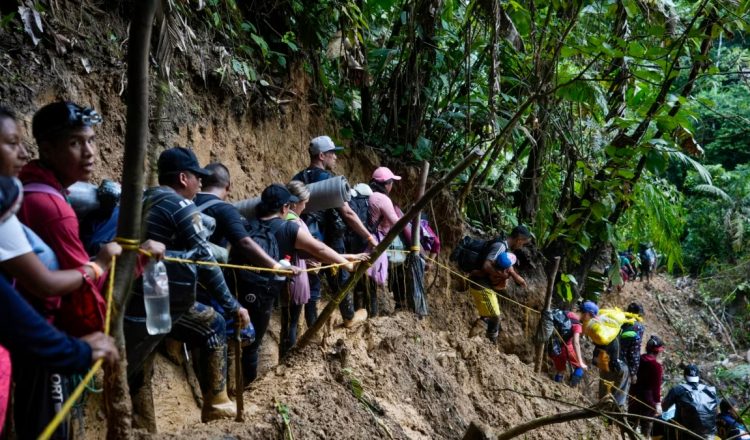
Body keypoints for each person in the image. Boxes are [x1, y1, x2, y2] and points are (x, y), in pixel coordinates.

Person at [125, 147, 250, 423]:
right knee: (214, 324)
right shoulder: (180, 206)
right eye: (197, 177)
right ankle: (216, 402)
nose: (201, 183)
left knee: (140, 369)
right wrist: (232, 306)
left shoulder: (144, 199)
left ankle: (143, 426)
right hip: (161, 300)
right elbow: (204, 260)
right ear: (183, 178)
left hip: (133, 298)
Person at [227, 184, 362, 383]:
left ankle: (225, 388)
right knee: (252, 344)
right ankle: (247, 390)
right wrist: (346, 265)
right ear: (284, 208)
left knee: (232, 338)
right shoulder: (289, 228)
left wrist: (349, 256)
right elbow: (320, 250)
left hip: (236, 287)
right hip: (263, 293)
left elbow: (312, 253)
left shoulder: (247, 224)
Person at [292, 135, 372, 327]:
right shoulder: (329, 180)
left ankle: (311, 325)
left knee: (313, 280)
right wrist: (369, 236)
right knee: (341, 276)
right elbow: (348, 213)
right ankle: (349, 317)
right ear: (321, 156)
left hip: (304, 236)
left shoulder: (297, 178)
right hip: (328, 237)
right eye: (332, 154)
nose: (335, 157)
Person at [467, 226, 530, 343]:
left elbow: (508, 266)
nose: (522, 246)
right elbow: (486, 266)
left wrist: (516, 277)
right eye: (523, 243)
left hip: (486, 285)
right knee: (494, 316)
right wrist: (503, 276)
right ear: (519, 240)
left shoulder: (505, 248)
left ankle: (474, 341)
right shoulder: (500, 246)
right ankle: (491, 343)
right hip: (481, 284)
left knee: (489, 316)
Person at [366, 167, 413, 315]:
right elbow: (396, 223)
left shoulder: (368, 194)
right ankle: (372, 316)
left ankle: (365, 312)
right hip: (376, 242)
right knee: (373, 281)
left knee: (364, 282)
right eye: (391, 182)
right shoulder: (383, 199)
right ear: (386, 184)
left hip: (364, 239)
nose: (392, 185)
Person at [580, 300, 630, 408]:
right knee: (612, 390)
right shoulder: (601, 326)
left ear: (588, 314)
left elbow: (608, 342)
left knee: (609, 390)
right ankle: (608, 410)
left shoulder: (602, 329)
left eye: (582, 312)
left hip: (610, 362)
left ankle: (608, 410)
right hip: (609, 363)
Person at [662, 364, 719, 440]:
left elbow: (664, 408)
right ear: (698, 376)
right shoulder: (709, 390)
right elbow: (717, 411)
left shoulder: (677, 390)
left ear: (685, 376)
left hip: (687, 432)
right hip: (709, 432)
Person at [629, 335, 666, 437]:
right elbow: (656, 387)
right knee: (646, 427)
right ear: (658, 351)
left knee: (630, 424)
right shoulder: (656, 366)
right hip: (648, 400)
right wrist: (658, 404)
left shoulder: (639, 358)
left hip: (634, 395)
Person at [547, 308, 587, 386]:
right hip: (565, 348)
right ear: (587, 314)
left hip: (553, 345)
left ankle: (556, 386)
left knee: (560, 370)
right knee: (580, 367)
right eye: (591, 316)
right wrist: (581, 362)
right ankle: (571, 388)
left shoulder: (566, 313)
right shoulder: (577, 325)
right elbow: (576, 343)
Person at [620, 302, 645, 384]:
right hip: (623, 366)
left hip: (609, 361)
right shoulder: (638, 327)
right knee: (617, 396)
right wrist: (633, 372)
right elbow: (634, 351)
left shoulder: (621, 320)